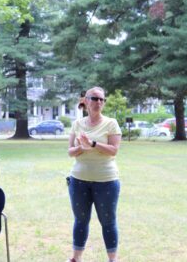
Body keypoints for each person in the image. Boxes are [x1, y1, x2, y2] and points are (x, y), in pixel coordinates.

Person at [66, 87, 122, 262]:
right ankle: (76, 258)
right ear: (86, 101)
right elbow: (70, 151)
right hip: (79, 180)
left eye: (101, 100)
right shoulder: (78, 124)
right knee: (80, 220)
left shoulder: (111, 123)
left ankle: (112, 259)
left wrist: (93, 143)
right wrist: (81, 148)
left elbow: (114, 150)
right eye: (95, 99)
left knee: (108, 221)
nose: (99, 102)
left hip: (106, 180)